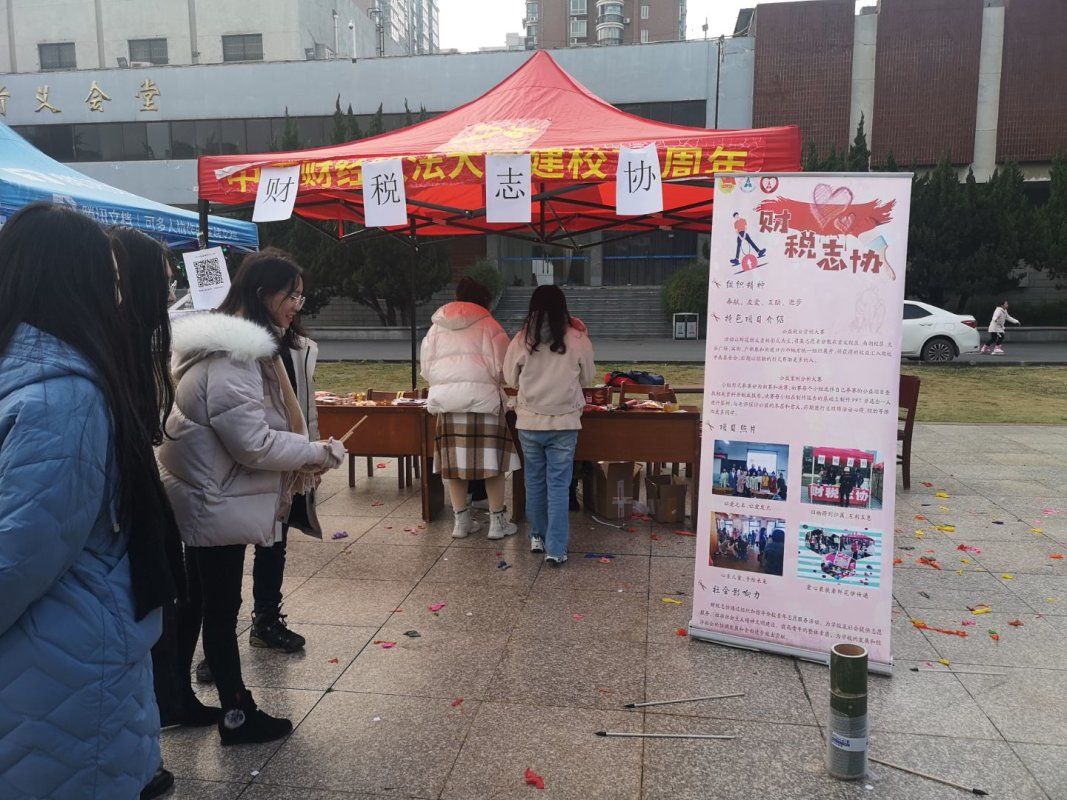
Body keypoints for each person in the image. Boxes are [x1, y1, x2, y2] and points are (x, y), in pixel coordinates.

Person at [0, 204, 176, 798]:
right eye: (112, 279)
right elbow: (17, 555)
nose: (121, 297)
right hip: (52, 674)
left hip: (54, 672)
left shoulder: (49, 387)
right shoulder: (59, 399)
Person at [158, 251, 345, 746]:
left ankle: (173, 698)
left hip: (208, 492)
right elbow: (253, 443)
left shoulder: (231, 348)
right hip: (215, 498)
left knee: (199, 600)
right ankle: (237, 714)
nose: (297, 304)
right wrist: (316, 453)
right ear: (263, 295)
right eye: (291, 294)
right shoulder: (236, 357)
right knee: (220, 608)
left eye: (301, 294)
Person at [421, 276, 520, 540]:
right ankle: (497, 523)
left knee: (454, 467)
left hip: (448, 405)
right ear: (485, 301)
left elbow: (426, 370)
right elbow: (505, 370)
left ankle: (461, 522)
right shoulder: (491, 325)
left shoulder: (436, 329)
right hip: (485, 403)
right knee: (493, 465)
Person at [504, 285, 596, 565]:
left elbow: (509, 378)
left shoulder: (522, 339)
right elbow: (588, 377)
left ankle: (537, 536)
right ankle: (556, 549)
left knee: (534, 482)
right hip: (565, 422)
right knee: (558, 485)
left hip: (530, 421)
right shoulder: (577, 338)